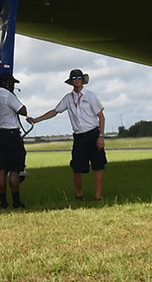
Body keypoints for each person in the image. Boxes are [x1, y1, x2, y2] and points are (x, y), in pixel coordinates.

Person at [31, 69, 107, 199]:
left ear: (82, 80)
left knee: (98, 166)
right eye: (74, 78)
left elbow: (101, 117)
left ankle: (98, 196)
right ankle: (79, 194)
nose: (76, 80)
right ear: (71, 81)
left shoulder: (90, 96)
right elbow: (55, 111)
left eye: (79, 77)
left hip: (93, 134)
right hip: (79, 137)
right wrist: (36, 120)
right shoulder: (68, 98)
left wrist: (101, 136)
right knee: (77, 168)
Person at [0, 72, 28, 208]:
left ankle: (3, 202)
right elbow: (23, 110)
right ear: (8, 83)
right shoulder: (7, 95)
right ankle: (16, 202)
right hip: (11, 133)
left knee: (3, 168)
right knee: (14, 170)